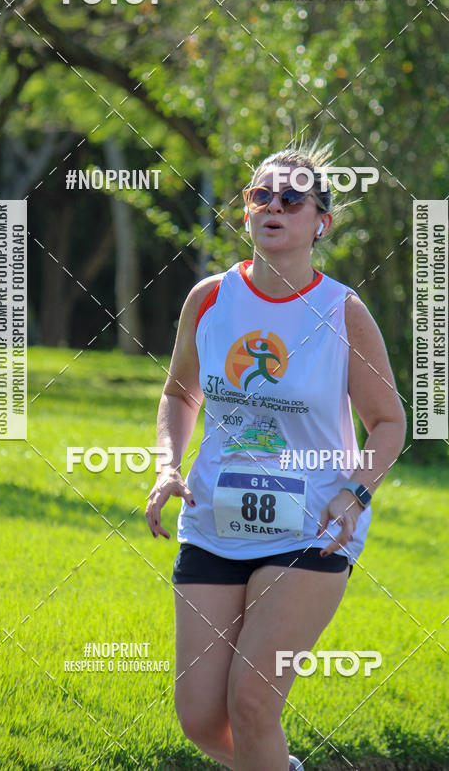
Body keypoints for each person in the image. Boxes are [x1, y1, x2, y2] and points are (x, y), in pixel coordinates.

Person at [145, 142, 407, 771]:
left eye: (293, 198)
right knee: (201, 719)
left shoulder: (342, 311)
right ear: (245, 212)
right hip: (215, 521)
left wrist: (356, 491)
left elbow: (389, 421)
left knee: (254, 706)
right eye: (262, 194)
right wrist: (167, 465)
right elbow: (181, 390)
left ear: (322, 221)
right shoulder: (208, 299)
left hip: (314, 525)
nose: (274, 206)